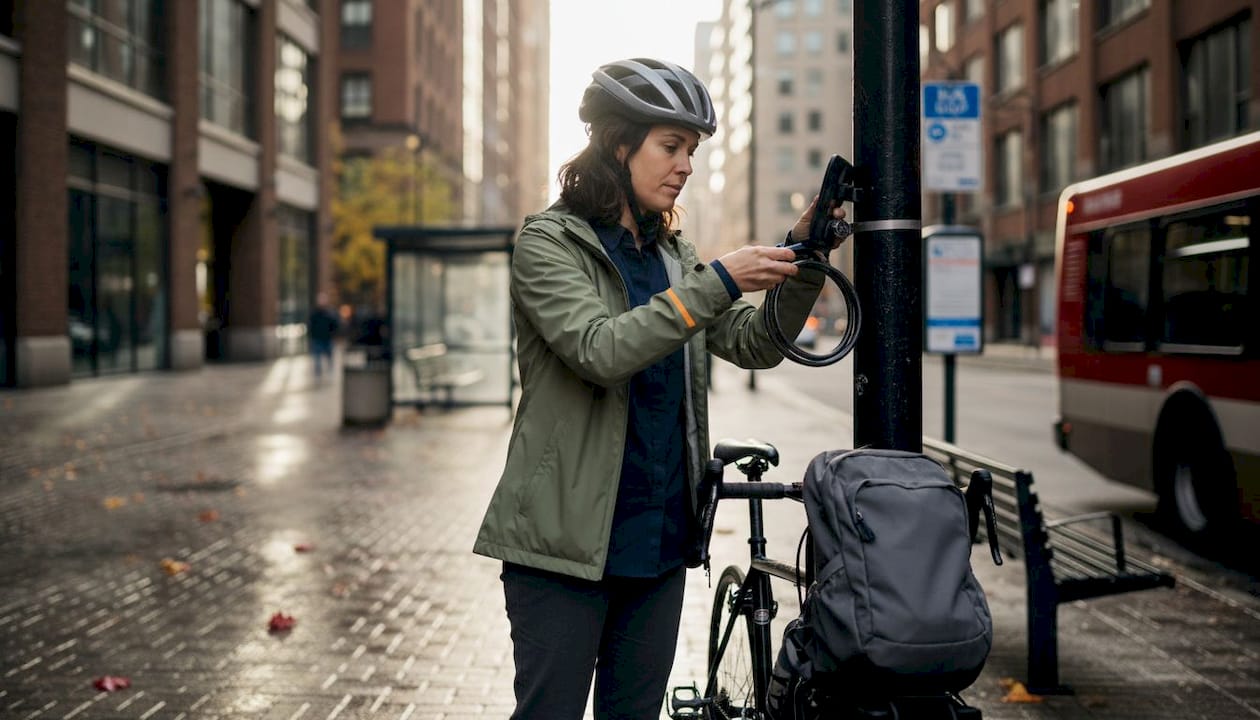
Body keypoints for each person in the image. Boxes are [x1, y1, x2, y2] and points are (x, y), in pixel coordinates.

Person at [472, 58, 846, 719]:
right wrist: (719, 280)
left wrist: (805, 257)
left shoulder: (675, 256)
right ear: (619, 144)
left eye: (691, 151)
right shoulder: (548, 244)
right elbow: (599, 350)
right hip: (563, 545)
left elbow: (757, 342)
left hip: (660, 538)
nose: (685, 165)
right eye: (670, 146)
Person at [308, 292, 339, 379]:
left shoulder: (330, 313)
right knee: (317, 359)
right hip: (317, 339)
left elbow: (335, 325)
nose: (322, 302)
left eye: (323, 300)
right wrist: (312, 337)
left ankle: (330, 373)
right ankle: (318, 375)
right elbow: (310, 326)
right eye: (320, 300)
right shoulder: (314, 313)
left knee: (330, 357)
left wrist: (333, 335)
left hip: (328, 338)